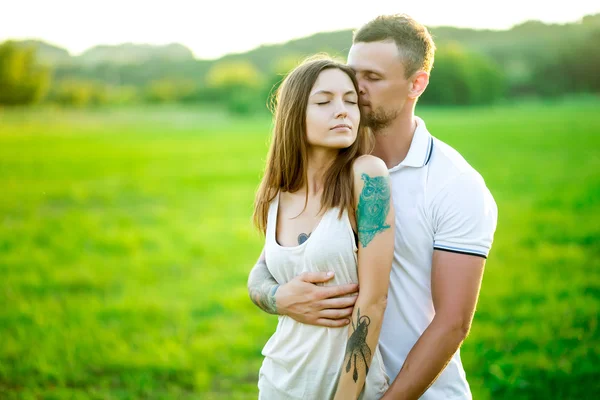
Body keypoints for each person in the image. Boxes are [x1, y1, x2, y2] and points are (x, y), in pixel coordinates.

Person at [248, 14, 499, 400]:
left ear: (416, 84)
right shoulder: (331, 169)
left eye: (373, 78)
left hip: (418, 392)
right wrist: (277, 297)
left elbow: (452, 323)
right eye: (353, 74)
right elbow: (270, 266)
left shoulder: (455, 185)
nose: (355, 88)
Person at [251, 54, 395, 399]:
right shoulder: (277, 194)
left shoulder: (367, 175)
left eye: (350, 100)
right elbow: (259, 275)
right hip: (278, 381)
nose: (343, 110)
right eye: (324, 101)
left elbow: (374, 300)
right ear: (294, 113)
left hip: (345, 388)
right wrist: (278, 297)